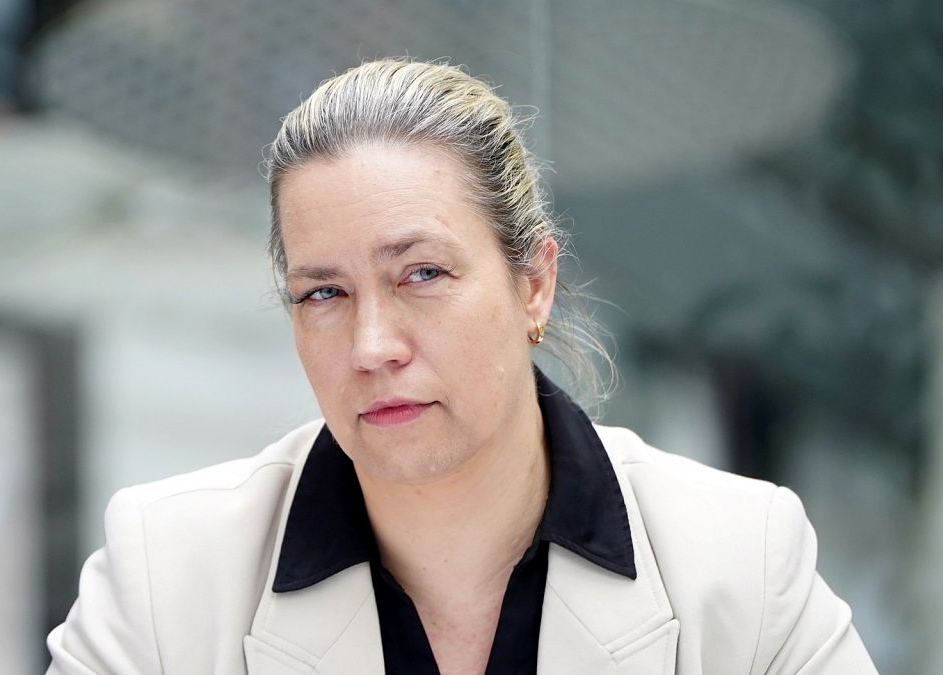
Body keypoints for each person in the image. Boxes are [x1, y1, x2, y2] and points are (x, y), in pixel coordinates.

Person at [46, 59, 877, 675]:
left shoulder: (741, 566)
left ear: (534, 284)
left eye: (422, 274)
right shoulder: (167, 578)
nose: (372, 345)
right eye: (324, 292)